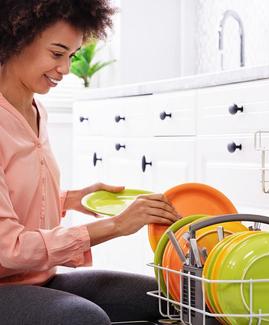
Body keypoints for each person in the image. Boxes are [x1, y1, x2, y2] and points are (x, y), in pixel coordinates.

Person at [0, 1, 180, 324]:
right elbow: (7, 247)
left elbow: (12, 202)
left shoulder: (37, 112)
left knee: (165, 297)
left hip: (41, 278)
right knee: (84, 318)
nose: (66, 69)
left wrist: (71, 199)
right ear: (16, 37)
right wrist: (114, 226)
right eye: (56, 54)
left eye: (71, 55)